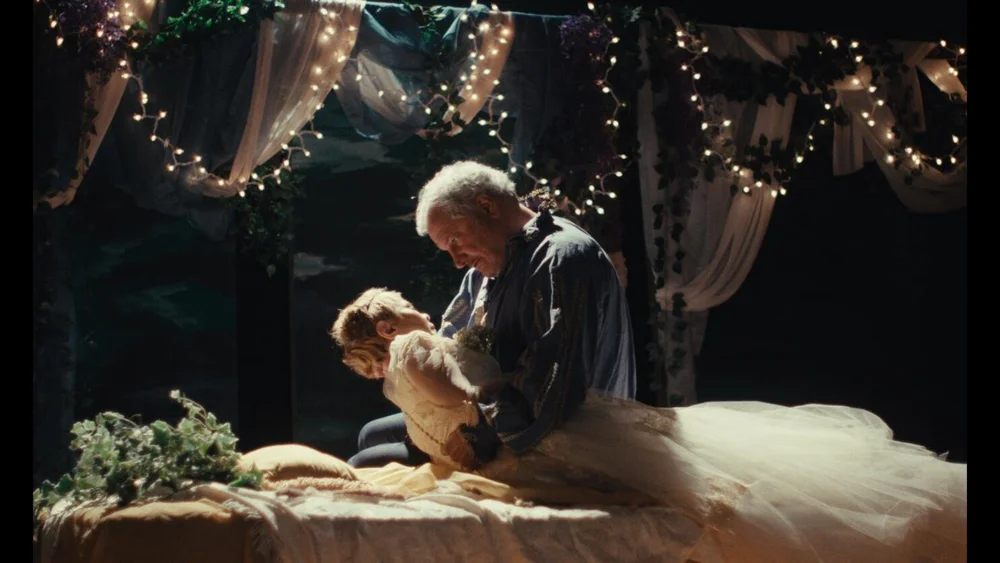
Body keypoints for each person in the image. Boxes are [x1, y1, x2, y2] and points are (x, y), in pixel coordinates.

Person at [331, 287, 968, 562]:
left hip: (489, 460)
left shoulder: (392, 380)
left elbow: (444, 423)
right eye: (406, 307)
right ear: (389, 326)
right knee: (681, 462)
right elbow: (463, 395)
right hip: (520, 441)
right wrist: (504, 385)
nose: (419, 311)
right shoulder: (415, 347)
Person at [348, 160, 636, 468]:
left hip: (556, 436)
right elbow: (450, 342)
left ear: (487, 207)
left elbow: (554, 388)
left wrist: (481, 430)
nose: (457, 261)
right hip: (493, 405)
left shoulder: (560, 260)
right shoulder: (487, 267)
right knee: (372, 435)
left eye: (454, 240)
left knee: (364, 463)